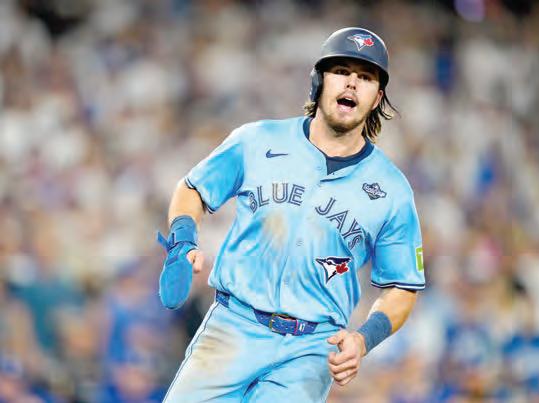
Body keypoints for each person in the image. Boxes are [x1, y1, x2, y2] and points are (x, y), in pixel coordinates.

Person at [157, 27, 425, 402]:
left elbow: (403, 286)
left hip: (311, 350)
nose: (351, 83)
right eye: (341, 71)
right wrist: (183, 238)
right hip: (234, 325)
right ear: (319, 81)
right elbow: (193, 189)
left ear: (377, 96)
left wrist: (365, 338)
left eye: (365, 77)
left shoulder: (392, 189)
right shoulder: (257, 140)